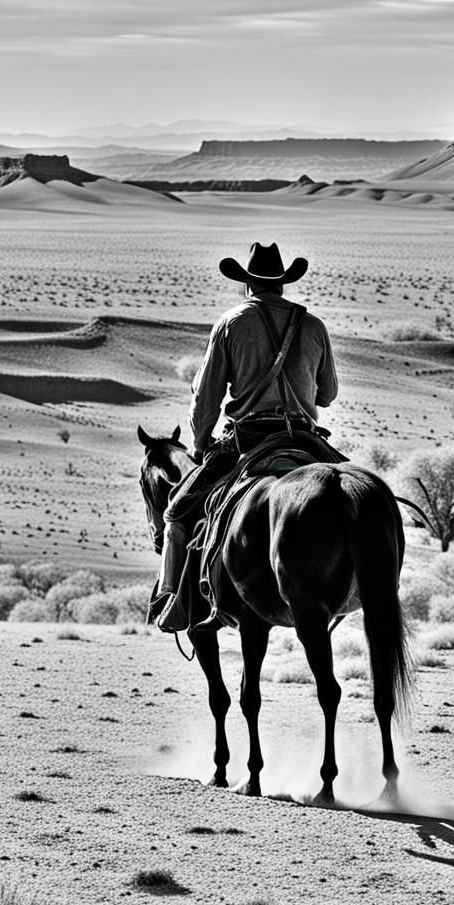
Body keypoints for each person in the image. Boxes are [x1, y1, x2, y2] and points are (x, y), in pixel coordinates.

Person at [148, 241, 339, 632]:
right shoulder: (313, 325)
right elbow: (328, 394)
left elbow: (206, 398)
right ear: (284, 284)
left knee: (176, 511)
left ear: (247, 284)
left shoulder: (232, 323)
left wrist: (200, 445)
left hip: (249, 439)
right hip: (306, 439)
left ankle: (176, 604)